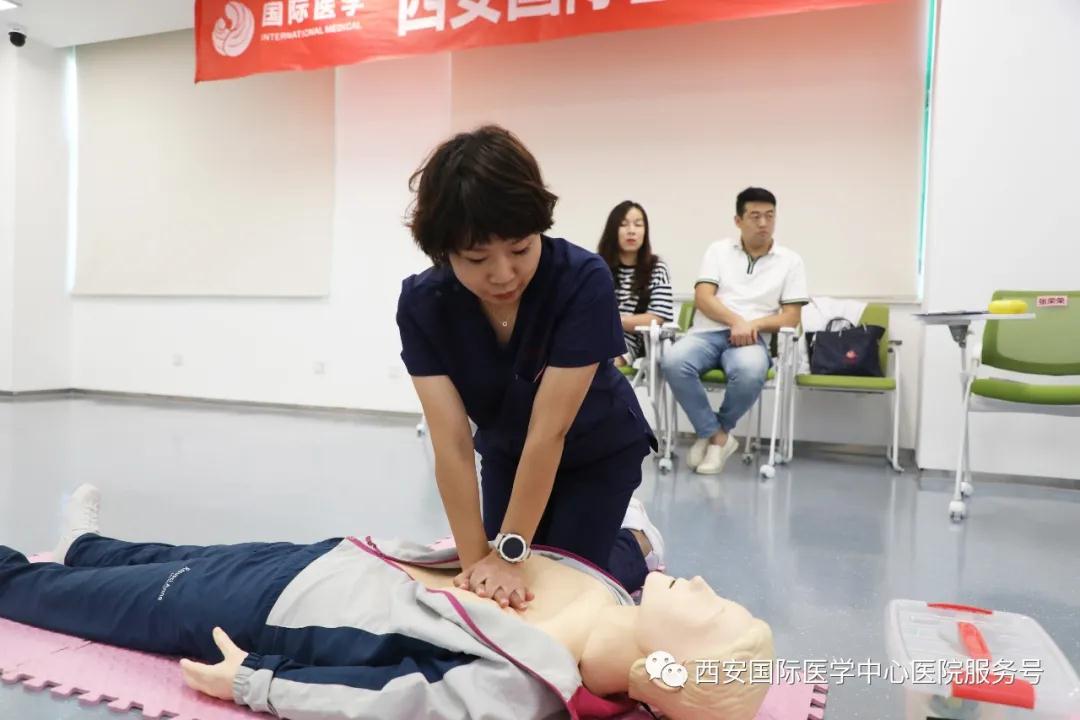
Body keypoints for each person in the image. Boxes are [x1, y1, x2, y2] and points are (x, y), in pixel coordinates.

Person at [0, 485, 774, 720]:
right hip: (345, 558)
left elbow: (387, 700)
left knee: (94, 600)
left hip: (280, 612)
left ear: (665, 668)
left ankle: (28, 574)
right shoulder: (613, 589)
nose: (708, 587)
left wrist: (254, 682)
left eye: (715, 613)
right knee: (185, 557)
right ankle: (85, 545)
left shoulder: (527, 687)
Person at [396, 125, 656, 609]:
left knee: (565, 585)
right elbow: (451, 443)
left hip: (596, 448)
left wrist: (510, 553)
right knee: (498, 581)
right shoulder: (422, 304)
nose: (503, 274)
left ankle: (637, 542)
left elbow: (548, 431)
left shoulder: (582, 281)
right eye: (477, 258)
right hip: (508, 452)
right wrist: (477, 566)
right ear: (444, 251)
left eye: (520, 249)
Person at [662, 188, 807, 476]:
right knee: (674, 361)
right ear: (738, 220)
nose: (763, 223)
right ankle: (717, 436)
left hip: (752, 339)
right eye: (755, 216)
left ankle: (715, 434)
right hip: (707, 333)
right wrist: (737, 321)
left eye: (769, 216)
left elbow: (792, 317)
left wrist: (752, 325)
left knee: (750, 371)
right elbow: (703, 298)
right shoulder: (718, 251)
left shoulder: (790, 261)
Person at [596, 201, 675, 367]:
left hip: (627, 343)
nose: (631, 231)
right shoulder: (597, 266)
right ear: (612, 230)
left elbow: (656, 318)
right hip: (591, 335)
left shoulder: (656, 268)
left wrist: (613, 321)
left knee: (594, 364)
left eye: (638, 225)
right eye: (623, 224)